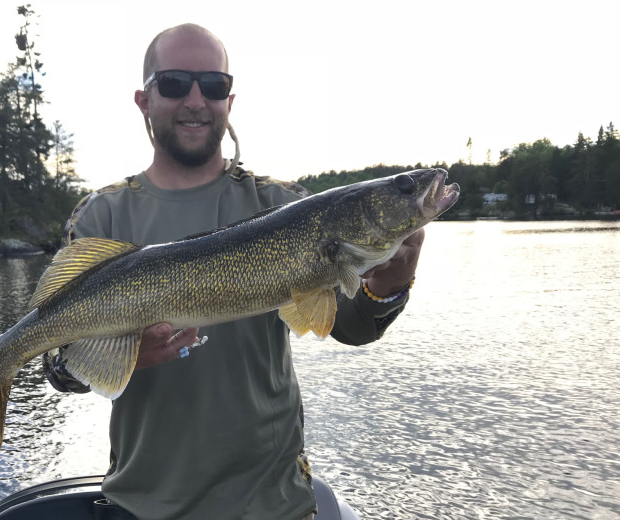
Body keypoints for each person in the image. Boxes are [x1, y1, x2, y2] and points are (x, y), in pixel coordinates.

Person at [44, 23, 424, 520]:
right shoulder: (100, 217)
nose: (196, 100)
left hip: (273, 504)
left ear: (230, 99)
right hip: (143, 505)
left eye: (214, 85)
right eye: (176, 83)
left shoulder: (283, 205)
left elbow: (351, 327)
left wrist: (391, 283)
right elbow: (57, 365)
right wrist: (119, 358)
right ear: (144, 100)